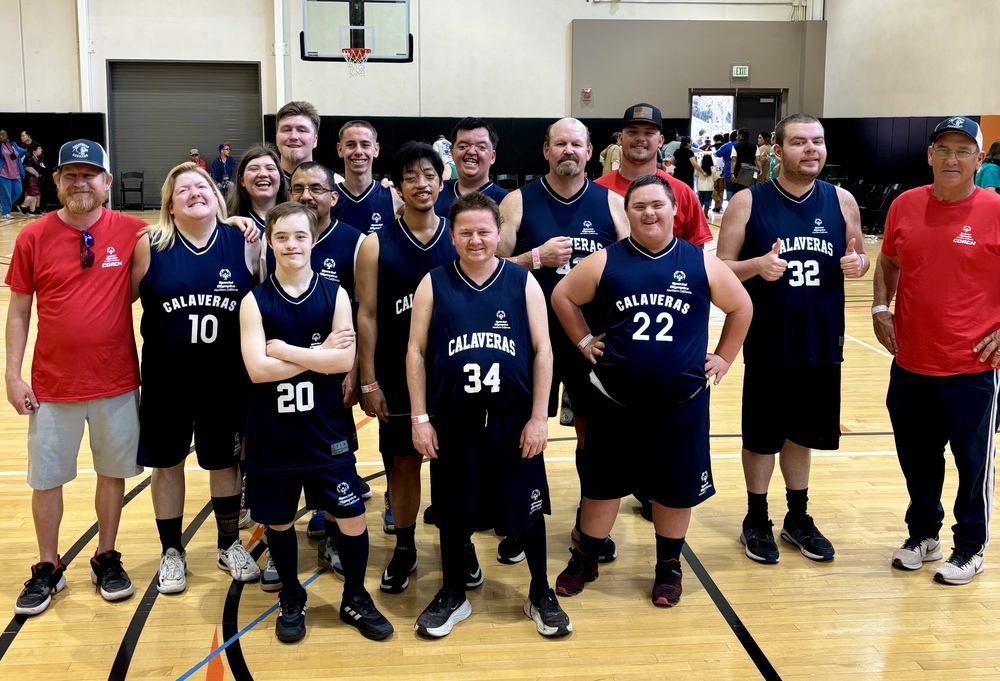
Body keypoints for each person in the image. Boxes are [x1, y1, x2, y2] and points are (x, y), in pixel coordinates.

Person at [551, 175, 752, 606]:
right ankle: (586, 556)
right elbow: (563, 296)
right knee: (602, 488)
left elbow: (741, 306)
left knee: (674, 489)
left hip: (682, 406)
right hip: (615, 403)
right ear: (628, 213)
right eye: (639, 206)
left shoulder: (700, 261)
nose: (649, 213)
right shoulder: (607, 261)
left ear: (674, 209)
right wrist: (585, 340)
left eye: (657, 205)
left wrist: (724, 357)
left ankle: (668, 567)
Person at [406, 191, 571, 638]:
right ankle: (453, 592)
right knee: (453, 510)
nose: (475, 240)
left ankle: (540, 591)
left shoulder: (522, 281)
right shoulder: (434, 282)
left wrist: (540, 417)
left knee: (528, 511)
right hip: (454, 421)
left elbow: (543, 351)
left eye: (483, 231)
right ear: (452, 236)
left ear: (499, 234)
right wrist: (419, 418)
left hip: (511, 420)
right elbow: (416, 352)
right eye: (466, 233)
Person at [716, 113, 868, 565]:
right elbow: (720, 269)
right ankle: (756, 518)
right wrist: (755, 267)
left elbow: (856, 255)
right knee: (763, 436)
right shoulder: (747, 202)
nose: (811, 150)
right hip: (768, 339)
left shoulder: (842, 201)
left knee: (802, 434)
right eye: (800, 142)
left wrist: (857, 266)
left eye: (818, 142)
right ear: (778, 151)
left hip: (822, 340)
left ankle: (797, 518)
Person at [240, 201, 393, 643]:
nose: (291, 244)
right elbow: (256, 370)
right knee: (280, 523)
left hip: (327, 434)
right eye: (282, 237)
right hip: (273, 436)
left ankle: (354, 597)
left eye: (300, 236)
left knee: (351, 516)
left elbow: (344, 359)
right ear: (270, 242)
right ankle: (292, 596)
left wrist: (284, 350)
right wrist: (317, 356)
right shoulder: (254, 300)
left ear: (313, 240)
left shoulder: (335, 293)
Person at [6, 139, 143, 615]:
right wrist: (12, 374)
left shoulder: (133, 231)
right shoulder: (33, 237)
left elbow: (190, 225)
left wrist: (237, 225)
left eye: (90, 175)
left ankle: (106, 555)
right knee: (46, 479)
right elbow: (20, 310)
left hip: (117, 381)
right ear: (57, 182)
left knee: (112, 474)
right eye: (70, 175)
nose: (80, 183)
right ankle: (48, 566)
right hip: (52, 386)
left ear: (107, 182)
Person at [872, 116, 1000, 586]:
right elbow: (888, 259)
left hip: (974, 366)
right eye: (943, 149)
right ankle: (923, 536)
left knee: (972, 466)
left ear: (979, 160)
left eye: (963, 151)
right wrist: (879, 307)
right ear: (929, 155)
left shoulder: (995, 209)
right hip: (911, 362)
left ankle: (970, 547)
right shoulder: (905, 205)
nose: (951, 158)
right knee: (918, 459)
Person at [498, 117, 629, 559]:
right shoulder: (517, 202)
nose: (568, 150)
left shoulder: (613, 203)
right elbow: (492, 271)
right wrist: (535, 257)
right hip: (528, 341)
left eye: (577, 143)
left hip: (589, 342)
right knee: (522, 430)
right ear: (546, 150)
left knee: (592, 432)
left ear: (590, 152)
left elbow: (632, 269)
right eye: (560, 143)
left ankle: (587, 520)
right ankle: (520, 518)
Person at [132, 163, 262, 594]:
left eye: (201, 185)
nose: (193, 192)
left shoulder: (242, 241)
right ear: (169, 203)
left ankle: (228, 544)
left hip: (225, 379)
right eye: (182, 188)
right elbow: (115, 302)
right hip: (166, 379)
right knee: (167, 465)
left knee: (224, 462)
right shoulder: (149, 246)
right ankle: (173, 552)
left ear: (217, 194)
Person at [356, 141, 464, 595]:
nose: (421, 184)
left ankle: (459, 545)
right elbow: (367, 315)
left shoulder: (459, 237)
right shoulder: (376, 244)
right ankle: (404, 546)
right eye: (411, 177)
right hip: (398, 378)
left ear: (443, 182)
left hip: (454, 374)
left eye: (429, 175)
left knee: (457, 466)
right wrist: (368, 379)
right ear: (397, 188)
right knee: (403, 464)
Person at [595, 104, 713, 249]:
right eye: (632, 132)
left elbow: (696, 254)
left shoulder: (682, 193)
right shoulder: (596, 190)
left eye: (649, 133)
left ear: (661, 140)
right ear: (620, 138)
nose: (640, 138)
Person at [332, 120, 404, 234]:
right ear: (340, 149)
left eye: (365, 145)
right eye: (351, 145)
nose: (359, 151)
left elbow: (424, 220)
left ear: (376, 149)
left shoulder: (391, 195)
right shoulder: (329, 197)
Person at [433, 117, 508, 217]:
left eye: (481, 147)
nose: (471, 152)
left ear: (492, 157)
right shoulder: (435, 193)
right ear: (452, 153)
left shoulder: (506, 201)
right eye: (463, 146)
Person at [227, 142, 289, 235]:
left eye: (270, 168)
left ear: (281, 178)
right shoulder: (228, 225)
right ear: (242, 180)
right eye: (253, 169)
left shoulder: (298, 220)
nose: (263, 174)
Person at [0, 128, 26, 220]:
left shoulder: (13, 144)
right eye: (0, 135)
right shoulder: (0, 146)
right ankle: (5, 212)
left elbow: (20, 151)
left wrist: (29, 150)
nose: (1, 137)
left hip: (15, 173)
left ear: (8, 136)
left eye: (3, 135)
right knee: (6, 194)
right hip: (3, 174)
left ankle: (2, 205)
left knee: (18, 191)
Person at [730, 128, 758, 193]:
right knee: (749, 192)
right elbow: (757, 159)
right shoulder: (755, 146)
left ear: (740, 136)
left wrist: (732, 173)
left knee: (737, 191)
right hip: (751, 171)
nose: (736, 138)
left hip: (738, 172)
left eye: (737, 136)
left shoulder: (735, 146)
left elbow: (734, 160)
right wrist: (760, 170)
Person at [21, 143, 45, 215]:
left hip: (35, 179)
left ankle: (32, 210)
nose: (41, 150)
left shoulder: (37, 158)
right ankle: (24, 206)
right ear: (34, 150)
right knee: (33, 194)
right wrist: (36, 173)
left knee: (34, 194)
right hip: (30, 179)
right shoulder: (29, 157)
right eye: (39, 148)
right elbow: (27, 167)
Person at [715, 131, 737, 201]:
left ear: (730, 137)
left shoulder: (726, 146)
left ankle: (730, 205)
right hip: (741, 171)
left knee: (729, 189)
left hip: (728, 170)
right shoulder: (740, 145)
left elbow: (716, 154)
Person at [695, 152, 716, 219]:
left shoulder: (700, 168)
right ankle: (705, 214)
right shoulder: (713, 168)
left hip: (701, 187)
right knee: (707, 201)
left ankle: (699, 214)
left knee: (700, 201)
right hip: (709, 188)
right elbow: (715, 178)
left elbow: (696, 176)